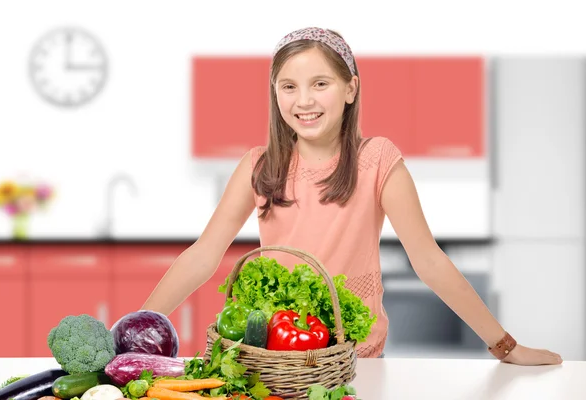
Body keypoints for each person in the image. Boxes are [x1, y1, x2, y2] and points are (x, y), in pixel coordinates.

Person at [141, 26, 562, 365]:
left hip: (353, 355)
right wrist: (134, 335)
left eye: (319, 83)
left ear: (350, 88)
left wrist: (505, 346)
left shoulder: (377, 159)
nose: (303, 100)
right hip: (275, 358)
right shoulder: (259, 164)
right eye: (288, 87)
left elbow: (429, 261)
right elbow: (202, 256)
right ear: (274, 93)